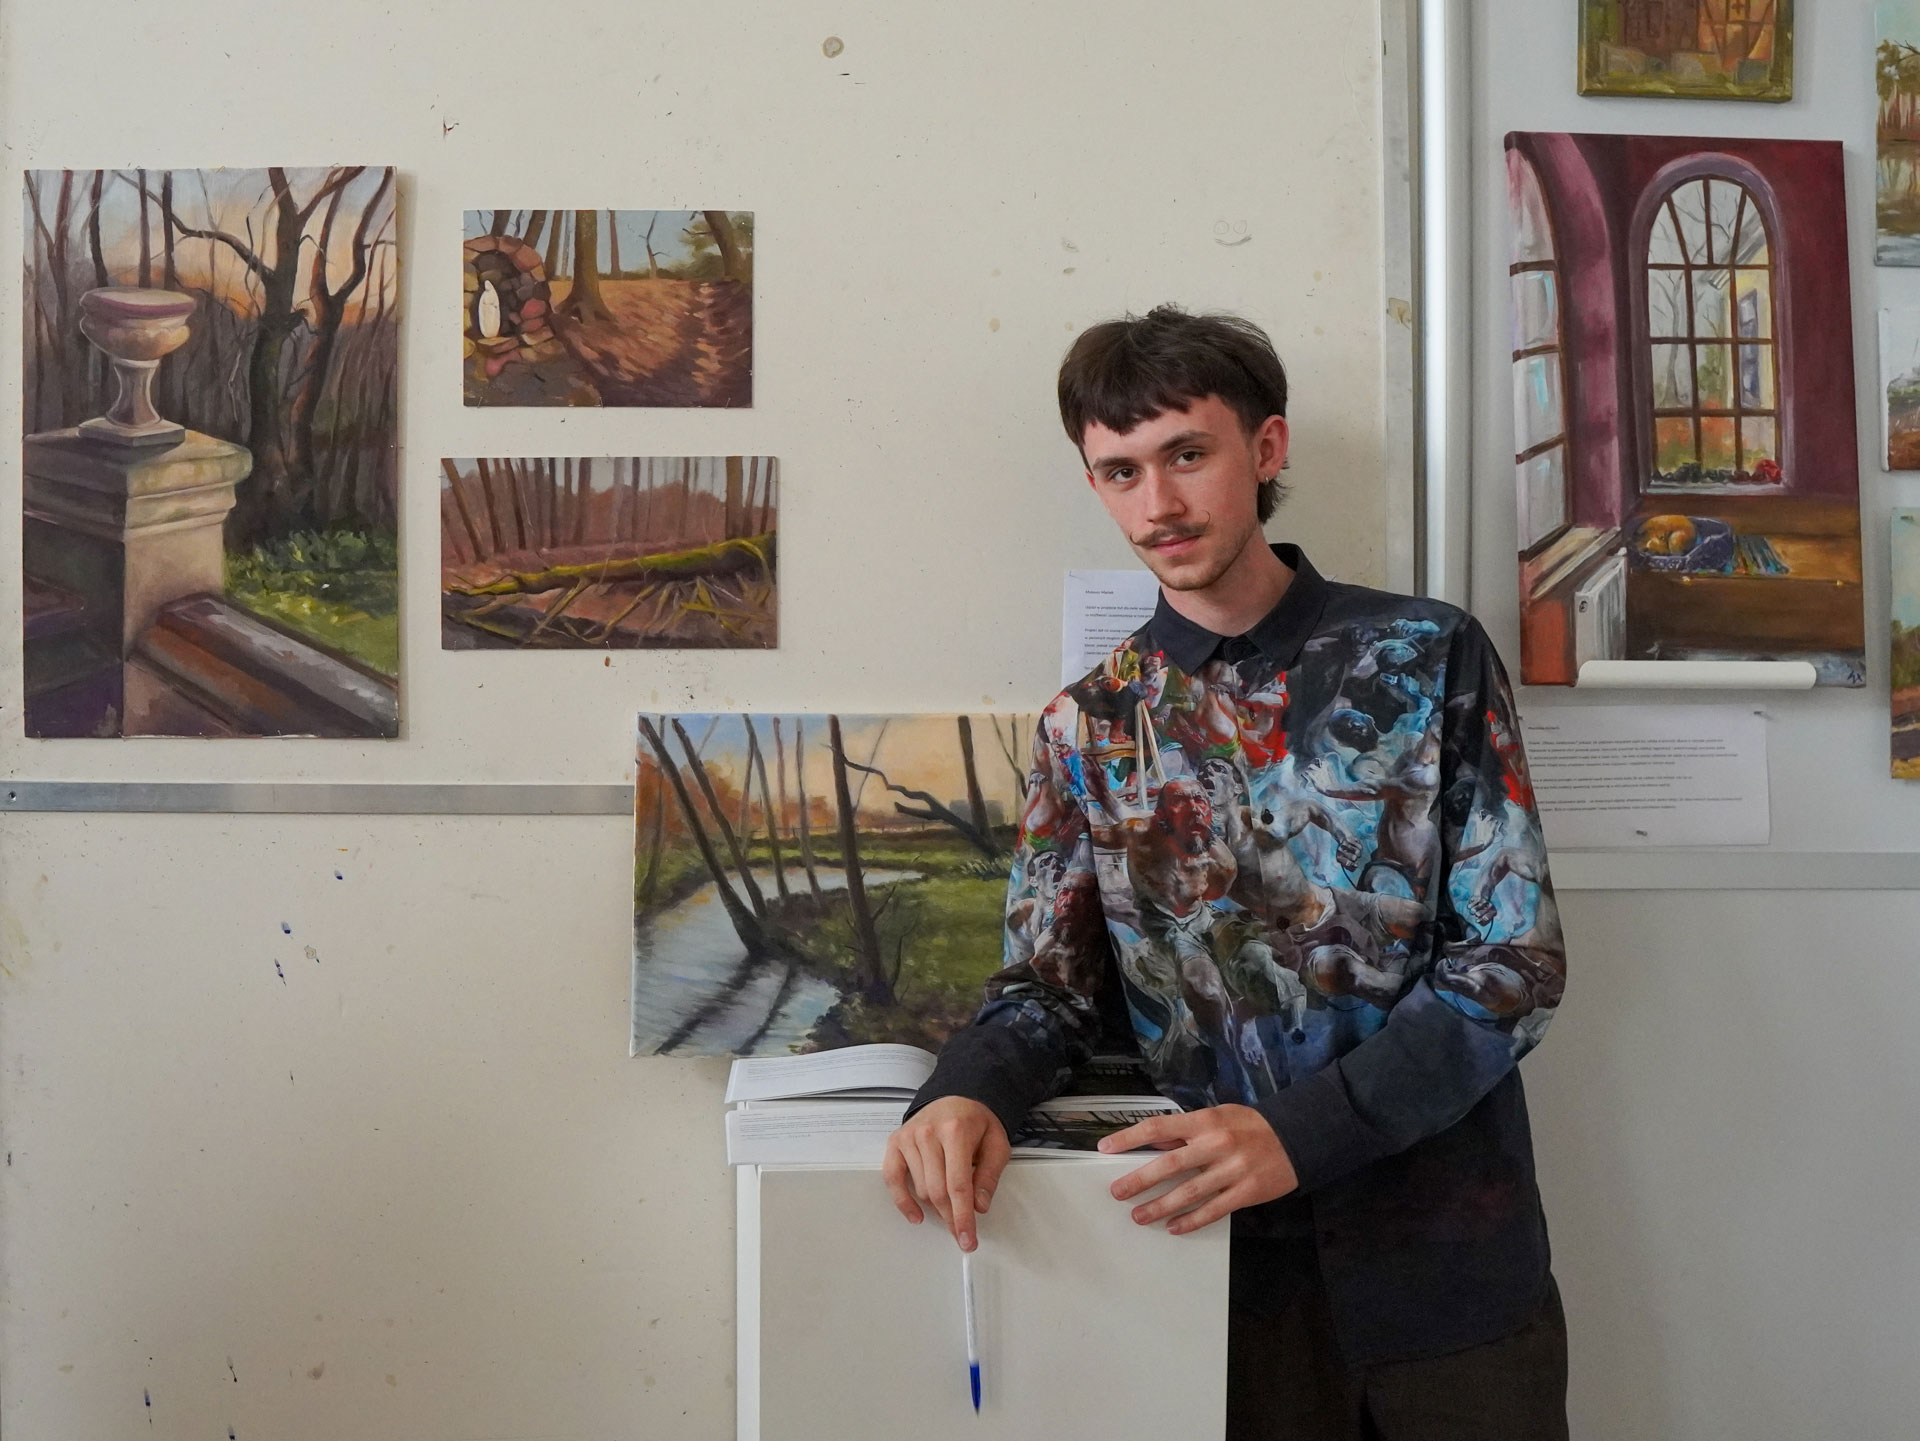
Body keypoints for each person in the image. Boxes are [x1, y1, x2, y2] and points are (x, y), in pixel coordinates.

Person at [881, 306, 1569, 1439]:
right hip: (1208, 1277)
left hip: (1446, 1263)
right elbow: (1050, 986)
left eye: (1187, 454)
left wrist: (1303, 1133)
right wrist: (966, 1087)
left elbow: (1514, 964)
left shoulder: (1424, 654)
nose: (1157, 503)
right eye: (1121, 471)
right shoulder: (1089, 725)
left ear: (1267, 447)